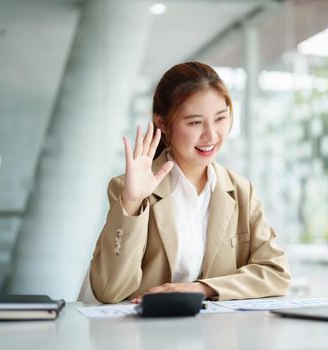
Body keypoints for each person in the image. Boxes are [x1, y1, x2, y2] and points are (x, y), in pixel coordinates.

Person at [90, 61, 290, 303]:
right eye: (195, 122)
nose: (211, 134)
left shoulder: (241, 191)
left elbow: (276, 273)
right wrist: (132, 204)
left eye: (220, 118)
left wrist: (201, 288)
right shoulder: (128, 189)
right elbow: (109, 291)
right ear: (162, 123)